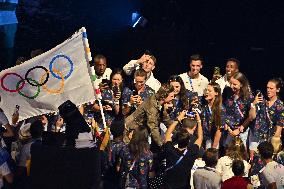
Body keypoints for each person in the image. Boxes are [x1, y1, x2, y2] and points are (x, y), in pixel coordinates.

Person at [164, 110, 203, 189]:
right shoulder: (191, 153)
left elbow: (167, 133)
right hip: (184, 186)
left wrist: (178, 119)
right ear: (189, 141)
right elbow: (200, 138)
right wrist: (198, 121)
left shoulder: (169, 150)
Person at [249, 78, 284, 160]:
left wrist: (274, 145)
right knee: (254, 162)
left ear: (278, 90)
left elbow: (279, 127)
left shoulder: (280, 105)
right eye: (267, 88)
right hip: (257, 138)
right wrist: (253, 104)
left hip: (270, 141)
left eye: (271, 88)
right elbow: (251, 117)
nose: (268, 90)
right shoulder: (262, 103)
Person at [224, 72, 254, 147]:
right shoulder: (227, 92)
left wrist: (240, 129)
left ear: (241, 84)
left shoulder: (248, 97)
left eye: (234, 84)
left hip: (241, 131)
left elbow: (250, 117)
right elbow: (222, 108)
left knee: (240, 153)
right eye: (230, 83)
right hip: (228, 130)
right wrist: (224, 123)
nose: (231, 86)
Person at [201, 82, 226, 149]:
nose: (207, 92)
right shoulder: (203, 106)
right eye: (206, 90)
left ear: (216, 93)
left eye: (209, 91)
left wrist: (214, 148)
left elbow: (219, 130)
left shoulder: (221, 108)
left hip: (215, 141)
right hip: (203, 139)